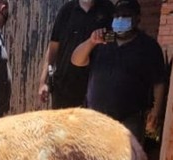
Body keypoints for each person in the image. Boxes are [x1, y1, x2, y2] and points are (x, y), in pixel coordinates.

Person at [70, 0, 167, 140]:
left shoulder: (148, 46)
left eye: (126, 16)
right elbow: (76, 60)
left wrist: (156, 111)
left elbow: (159, 81)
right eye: (117, 16)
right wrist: (91, 42)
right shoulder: (103, 40)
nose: (120, 19)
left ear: (137, 18)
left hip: (129, 121)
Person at [38, 0, 114, 108]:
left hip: (95, 90)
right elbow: (53, 48)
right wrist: (43, 82)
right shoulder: (67, 11)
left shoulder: (107, 10)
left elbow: (115, 40)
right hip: (64, 88)